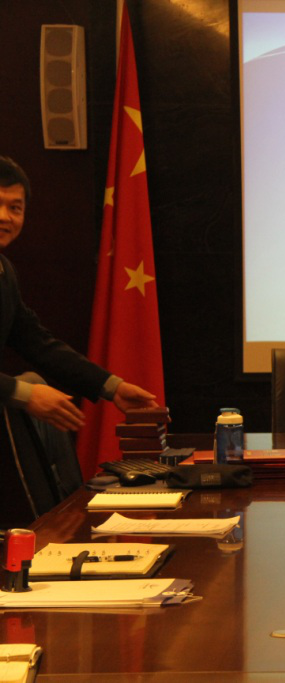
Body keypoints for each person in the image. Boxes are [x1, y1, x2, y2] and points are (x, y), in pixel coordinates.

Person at [0, 156, 158, 524]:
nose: (5, 217)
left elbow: (37, 342)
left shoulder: (4, 272)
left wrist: (112, 387)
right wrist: (23, 394)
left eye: (15, 207)